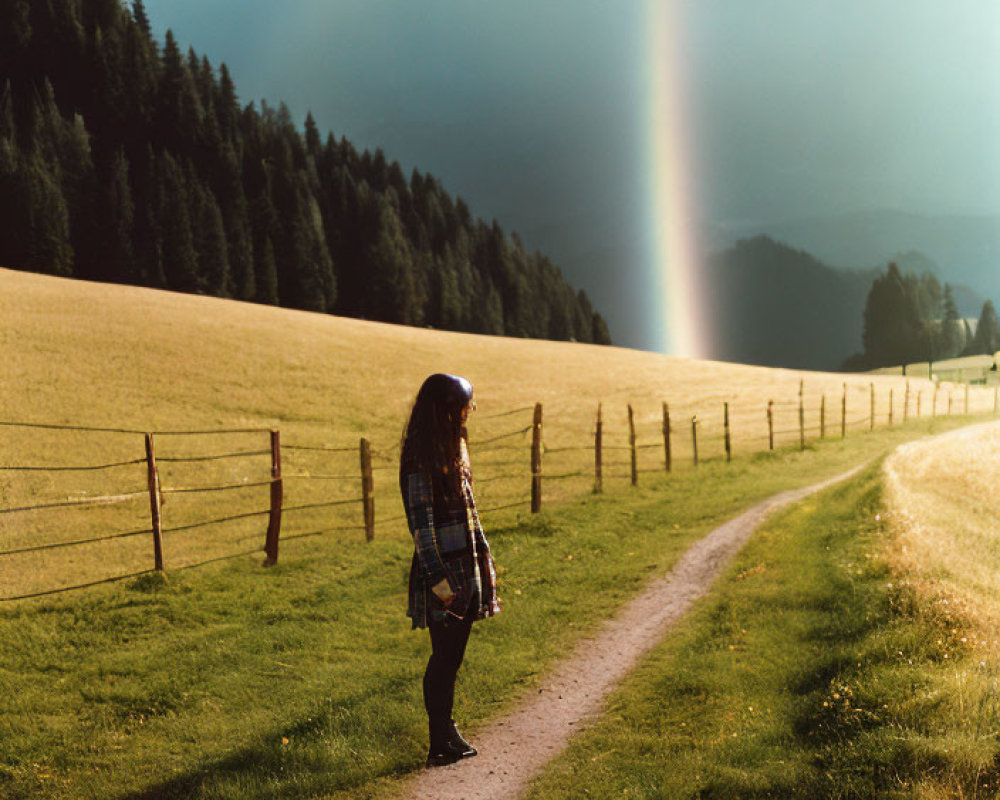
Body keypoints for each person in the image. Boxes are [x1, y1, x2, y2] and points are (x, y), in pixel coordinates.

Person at [399, 373, 501, 768]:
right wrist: (440, 583)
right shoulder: (420, 459)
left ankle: (446, 732)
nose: (468, 414)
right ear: (444, 411)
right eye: (463, 407)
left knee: (452, 656)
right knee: (444, 657)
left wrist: (480, 565)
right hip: (443, 575)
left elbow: (469, 514)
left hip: (465, 565)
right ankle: (439, 738)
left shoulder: (452, 448)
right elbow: (422, 528)